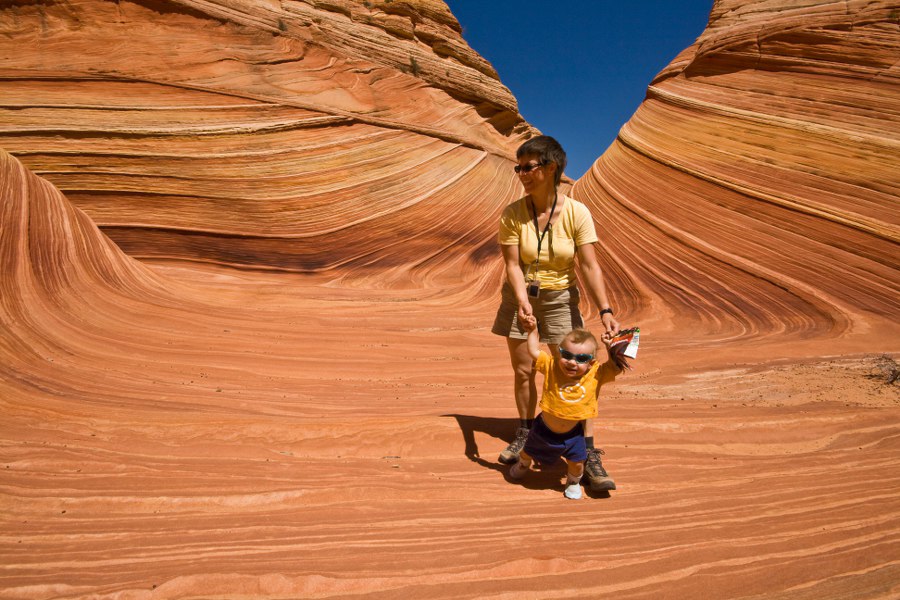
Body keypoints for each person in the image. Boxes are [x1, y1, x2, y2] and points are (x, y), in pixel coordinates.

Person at [491, 135, 620, 492]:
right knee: (523, 370)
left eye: (529, 167)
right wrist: (521, 298)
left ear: (551, 168)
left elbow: (590, 266)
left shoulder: (577, 212)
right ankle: (525, 433)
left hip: (562, 296)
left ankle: (587, 452)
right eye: (518, 168)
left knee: (579, 374)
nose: (522, 174)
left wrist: (605, 309)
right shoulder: (513, 213)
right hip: (521, 296)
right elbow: (512, 265)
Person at [508, 320, 625, 499]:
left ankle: (573, 482)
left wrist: (611, 347)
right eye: (566, 355)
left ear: (591, 362)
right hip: (543, 429)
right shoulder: (552, 365)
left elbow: (615, 367)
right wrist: (532, 330)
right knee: (527, 452)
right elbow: (533, 351)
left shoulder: (596, 374)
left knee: (577, 463)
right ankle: (523, 464)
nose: (572, 362)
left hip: (573, 435)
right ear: (558, 353)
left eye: (581, 359)